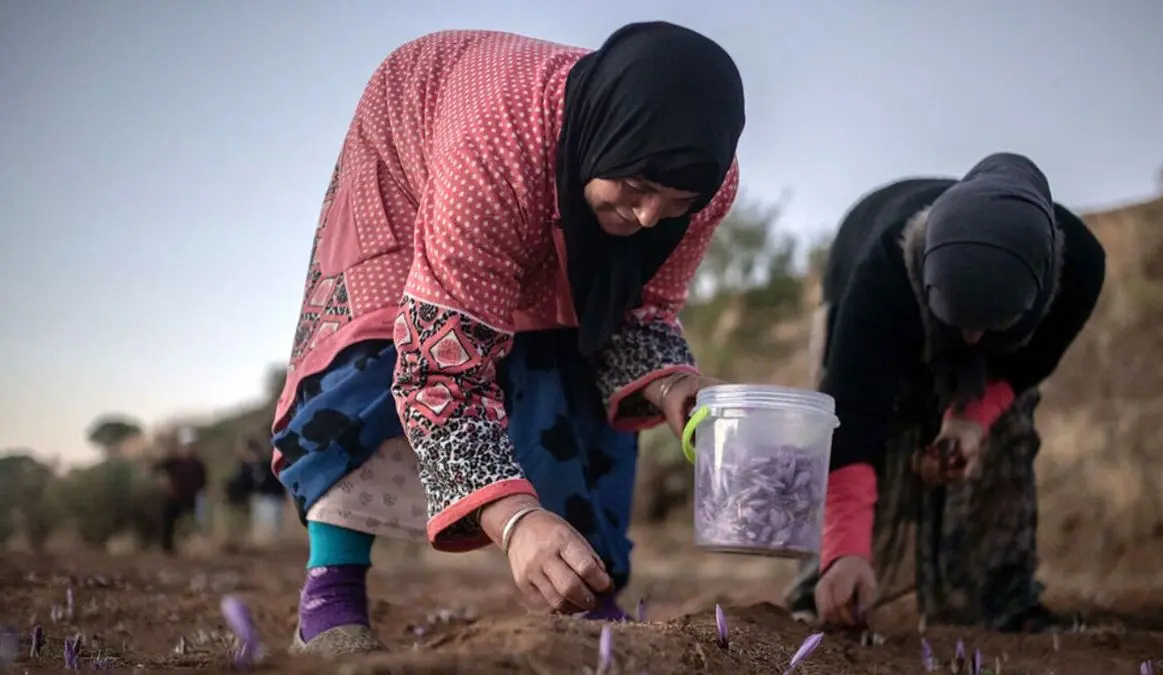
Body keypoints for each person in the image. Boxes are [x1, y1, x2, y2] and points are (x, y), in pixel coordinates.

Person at [268, 22, 744, 657]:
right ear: (602, 138)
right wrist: (515, 520)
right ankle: (332, 593)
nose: (651, 217)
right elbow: (440, 371)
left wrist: (677, 385)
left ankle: (584, 587)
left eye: (675, 199)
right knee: (379, 351)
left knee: (567, 354)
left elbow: (639, 309)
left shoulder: (708, 185)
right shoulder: (490, 152)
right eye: (636, 188)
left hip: (524, 181)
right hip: (418, 154)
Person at [785, 153, 1106, 633]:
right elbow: (852, 414)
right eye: (960, 322)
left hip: (991, 324)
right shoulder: (884, 271)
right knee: (858, 440)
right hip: (870, 282)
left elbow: (1027, 367)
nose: (972, 340)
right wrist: (846, 548)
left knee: (1009, 429)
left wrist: (969, 422)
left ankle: (995, 597)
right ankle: (826, 588)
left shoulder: (1078, 268)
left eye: (989, 325)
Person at [152, 427, 209, 555]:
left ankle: (191, 547)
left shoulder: (198, 463)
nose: (189, 447)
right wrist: (162, 481)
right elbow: (156, 468)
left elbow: (203, 484)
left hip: (191, 500)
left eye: (191, 445)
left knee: (192, 524)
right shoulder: (174, 460)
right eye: (187, 445)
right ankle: (167, 548)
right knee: (167, 520)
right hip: (175, 498)